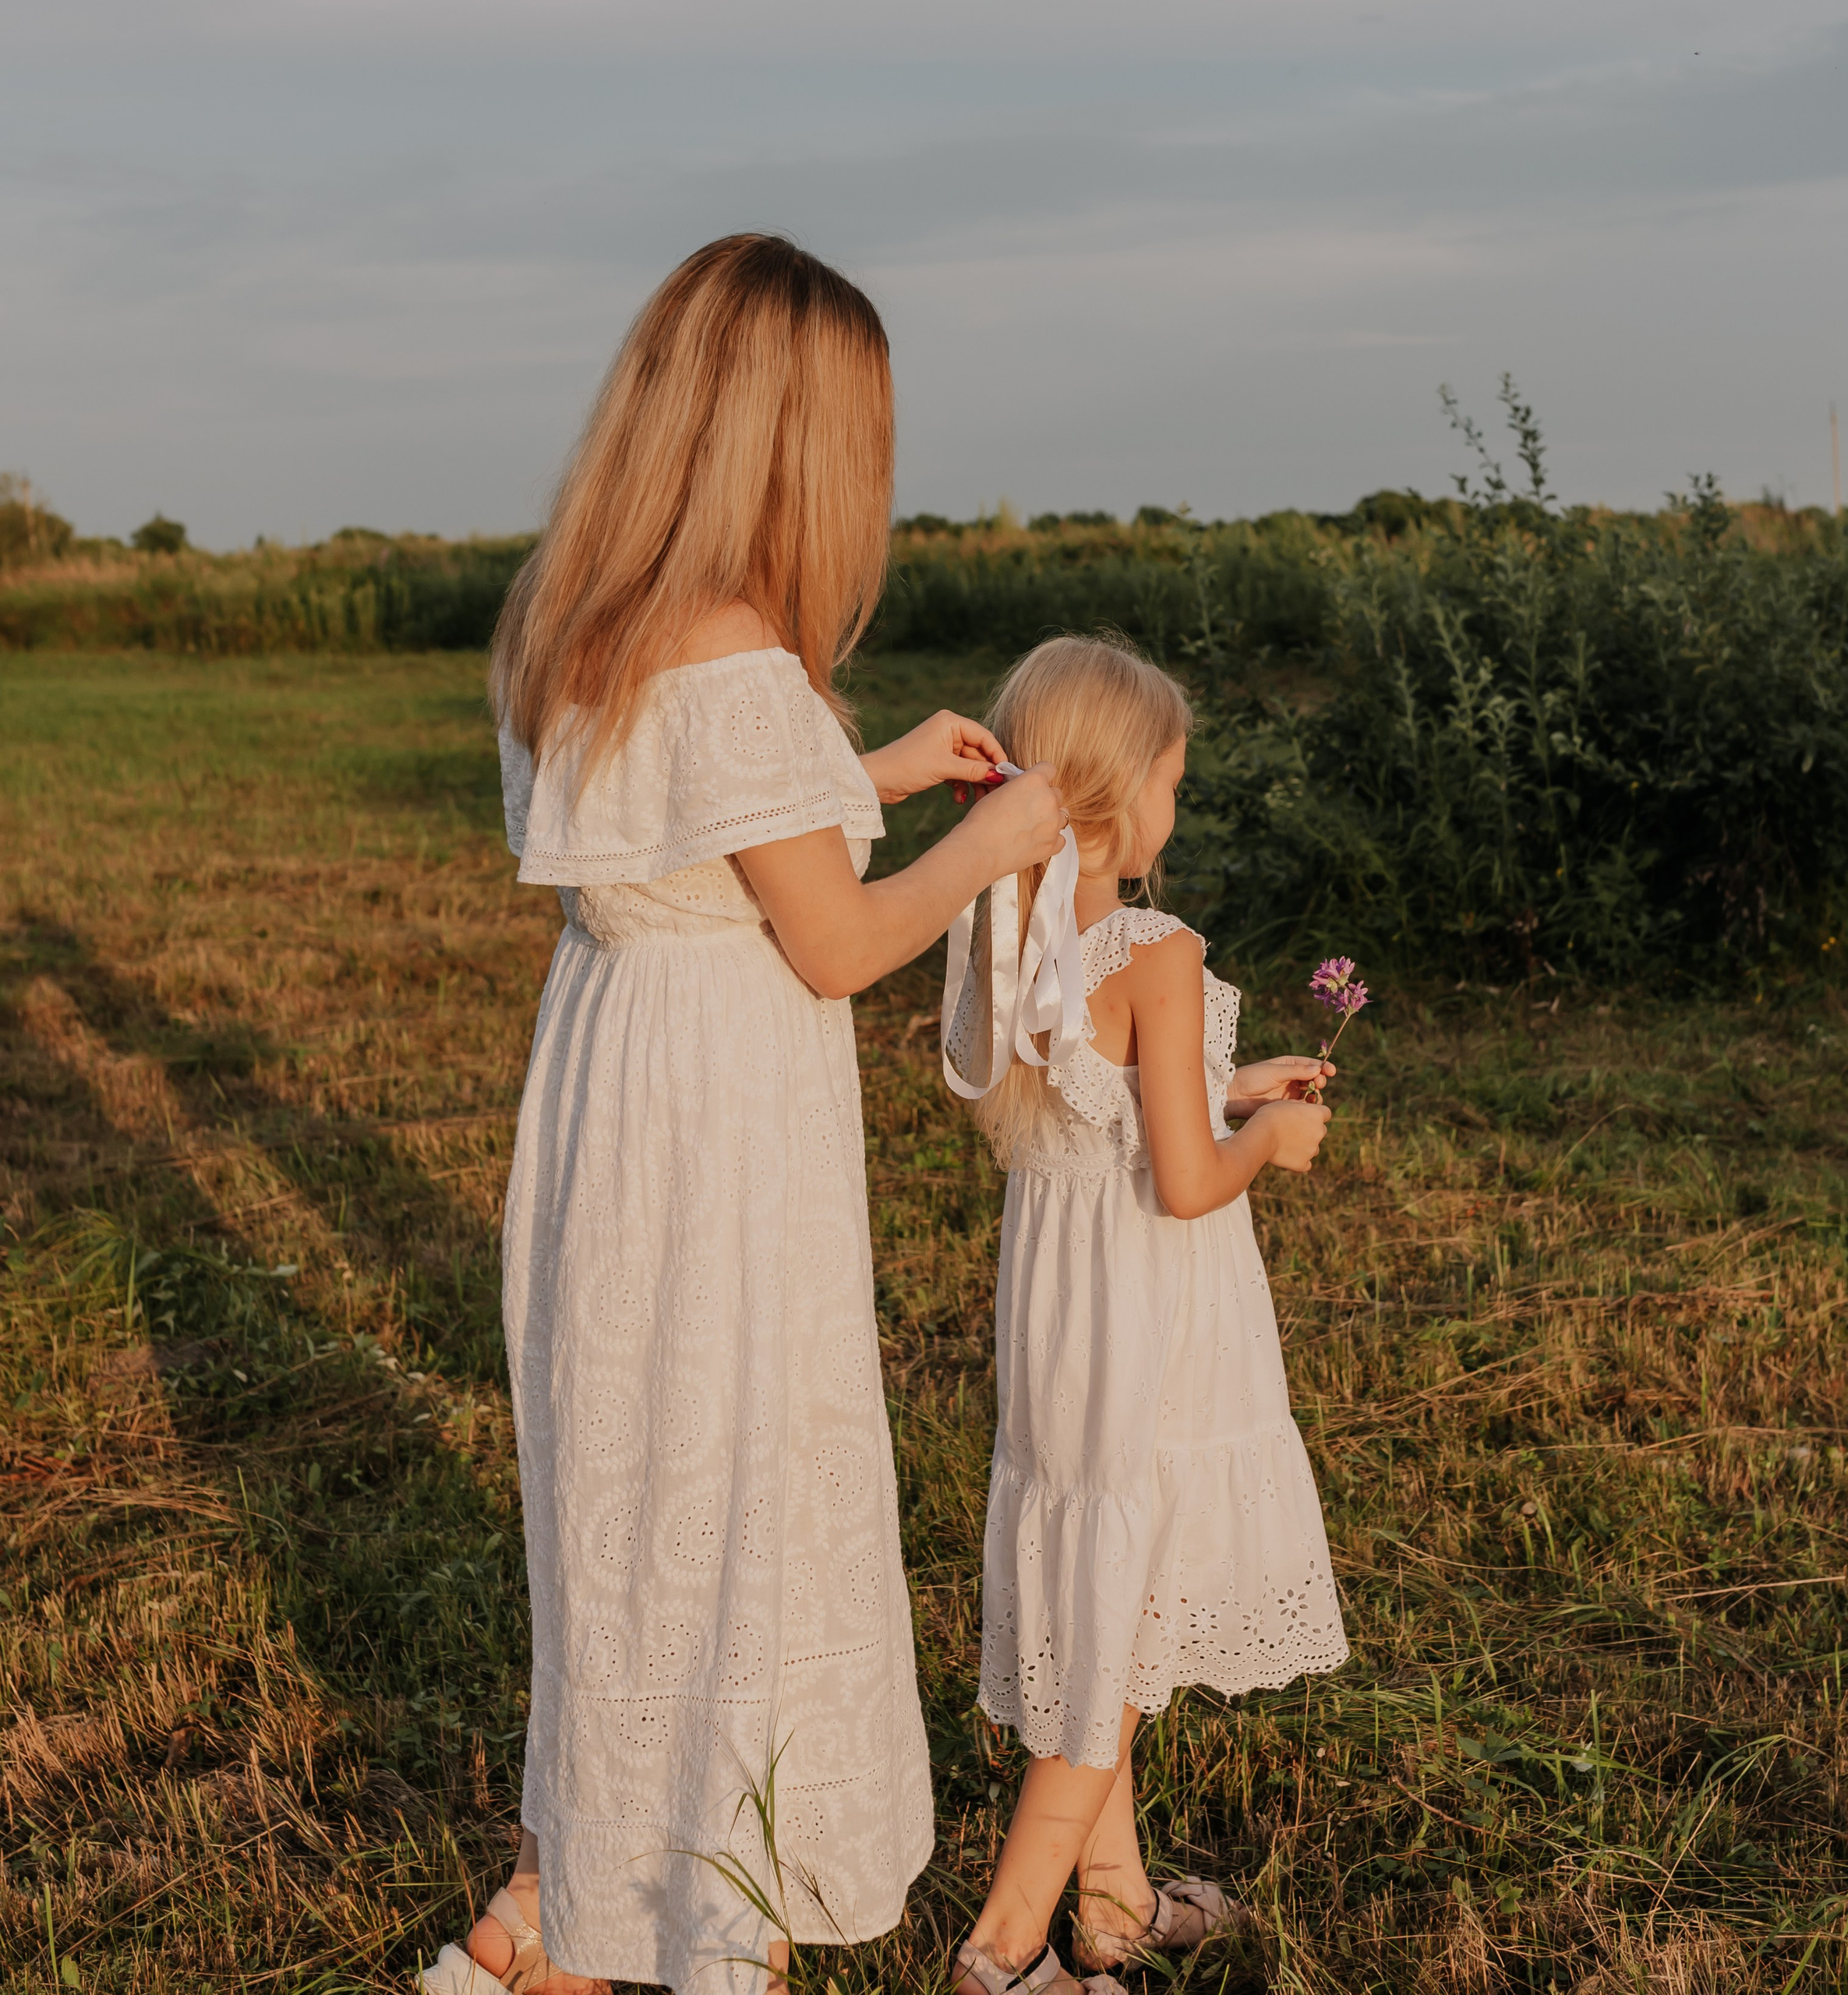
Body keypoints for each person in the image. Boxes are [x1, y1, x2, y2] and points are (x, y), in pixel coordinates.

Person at [421, 235, 1067, 1995]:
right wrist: (989, 839)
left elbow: (681, 835)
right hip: (717, 1129)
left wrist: (864, 771)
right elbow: (834, 937)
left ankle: (554, 1907)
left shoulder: (577, 627)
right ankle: (719, 1920)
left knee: (622, 1494)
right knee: (734, 1491)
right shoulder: (736, 652)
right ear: (790, 445)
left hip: (608, 1088)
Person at [942, 636, 1350, 1995]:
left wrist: (1230, 1087)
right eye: (1176, 779)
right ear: (1125, 800)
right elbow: (1183, 1185)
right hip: (1152, 1319)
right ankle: (1002, 1952)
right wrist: (1269, 1145)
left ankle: (1111, 1906)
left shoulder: (1014, 932)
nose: (1183, 803)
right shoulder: (1156, 949)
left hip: (1063, 1318)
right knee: (1112, 1641)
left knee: (1092, 1590)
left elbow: (1108, 1107)